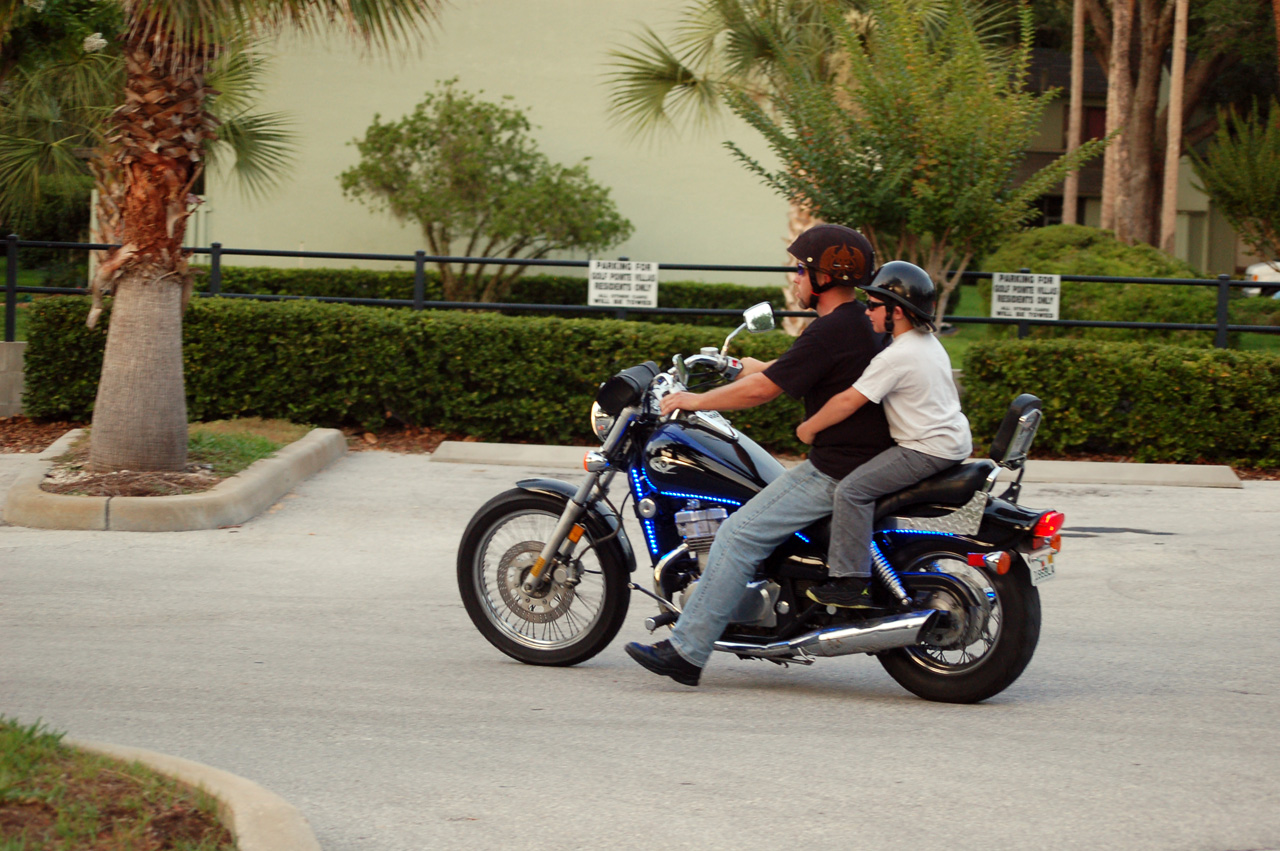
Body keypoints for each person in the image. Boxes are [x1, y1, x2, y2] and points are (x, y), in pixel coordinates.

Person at [624, 224, 894, 687]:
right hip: (866, 459)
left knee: (736, 536)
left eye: (800, 269)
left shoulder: (831, 329)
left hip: (835, 468)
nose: (794, 278)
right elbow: (797, 370)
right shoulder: (858, 323)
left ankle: (687, 652)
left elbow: (763, 392)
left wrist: (693, 400)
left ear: (825, 276)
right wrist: (745, 366)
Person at [797, 261, 973, 608]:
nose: (867, 311)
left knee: (851, 491)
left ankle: (851, 583)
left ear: (898, 312)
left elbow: (848, 401)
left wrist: (809, 427)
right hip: (950, 442)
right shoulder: (926, 342)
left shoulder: (897, 355)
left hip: (925, 449)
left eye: (874, 305)